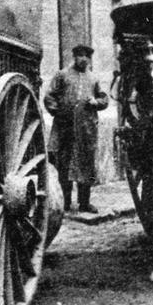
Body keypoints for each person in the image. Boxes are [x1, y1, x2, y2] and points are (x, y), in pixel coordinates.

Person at [43, 45, 110, 215]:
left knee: (86, 165)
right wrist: (58, 112)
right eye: (80, 56)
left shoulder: (94, 78)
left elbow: (105, 99)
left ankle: (84, 203)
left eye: (87, 56)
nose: (84, 59)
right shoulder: (62, 75)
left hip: (86, 130)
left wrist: (96, 102)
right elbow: (49, 96)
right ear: (74, 57)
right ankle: (65, 203)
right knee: (64, 165)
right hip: (65, 128)